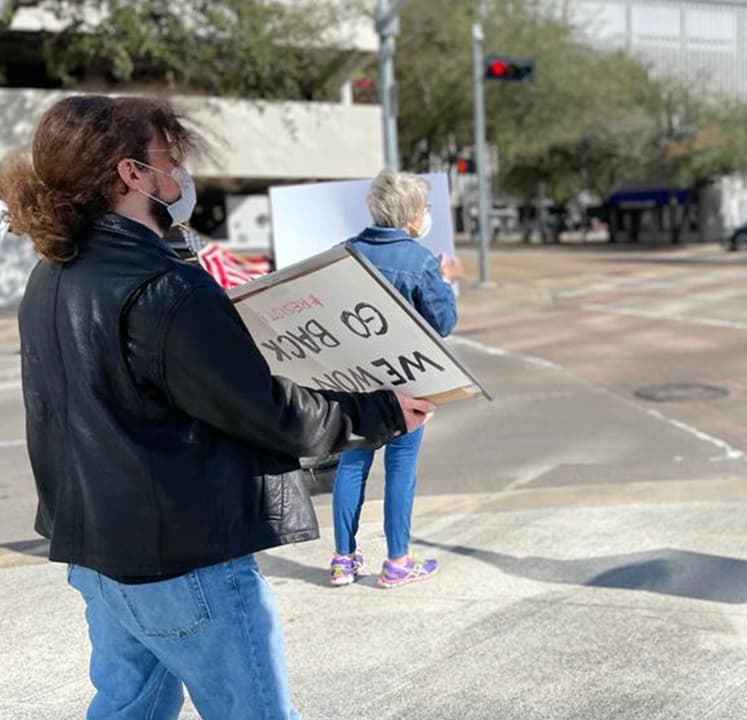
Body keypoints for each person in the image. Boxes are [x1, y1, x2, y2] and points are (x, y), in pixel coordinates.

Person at [0, 95, 435, 719]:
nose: (178, 173)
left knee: (128, 708)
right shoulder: (165, 287)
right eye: (167, 157)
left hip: (96, 552)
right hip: (182, 560)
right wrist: (382, 412)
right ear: (131, 174)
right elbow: (270, 411)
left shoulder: (53, 273)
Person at [328, 170, 464, 588]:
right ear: (410, 215)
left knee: (351, 464)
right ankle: (397, 562)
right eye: (424, 208)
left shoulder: (344, 253)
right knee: (400, 468)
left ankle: (343, 560)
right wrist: (448, 281)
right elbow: (443, 322)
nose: (426, 215)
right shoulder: (420, 261)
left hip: (355, 380)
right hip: (408, 380)